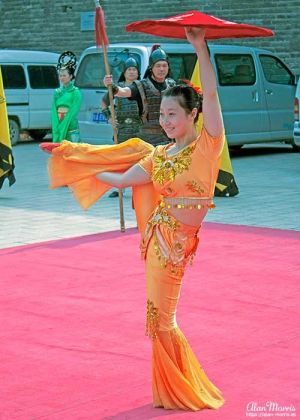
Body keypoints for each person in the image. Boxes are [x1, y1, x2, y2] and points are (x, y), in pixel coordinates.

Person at [40, 27, 225, 412]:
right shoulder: (160, 156)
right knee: (157, 320)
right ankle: (172, 390)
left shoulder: (208, 145)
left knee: (162, 321)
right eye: (162, 115)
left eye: (173, 114)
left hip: (178, 248)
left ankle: (181, 387)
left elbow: (211, 92)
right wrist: (71, 157)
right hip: (158, 243)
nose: (167, 121)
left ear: (193, 114)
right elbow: (121, 179)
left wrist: (200, 50)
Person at [104, 44, 176, 146]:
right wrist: (111, 85)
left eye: (164, 66)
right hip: (148, 139)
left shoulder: (172, 85)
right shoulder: (141, 86)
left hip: (169, 136)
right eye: (158, 66)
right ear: (151, 68)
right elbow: (122, 92)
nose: (161, 69)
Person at [102, 57, 142, 197]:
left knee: (139, 160)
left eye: (134, 69)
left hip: (139, 128)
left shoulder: (141, 87)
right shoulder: (116, 88)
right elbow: (103, 102)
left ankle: (139, 187)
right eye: (129, 69)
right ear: (124, 72)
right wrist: (110, 118)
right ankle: (120, 188)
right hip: (123, 129)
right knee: (121, 160)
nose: (132, 72)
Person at [51, 51, 82, 143]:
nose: (62, 78)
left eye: (64, 75)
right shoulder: (57, 92)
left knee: (72, 149)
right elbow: (53, 110)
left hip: (70, 123)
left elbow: (73, 111)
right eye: (60, 75)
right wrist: (56, 124)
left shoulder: (76, 92)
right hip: (58, 121)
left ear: (71, 76)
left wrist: (64, 124)